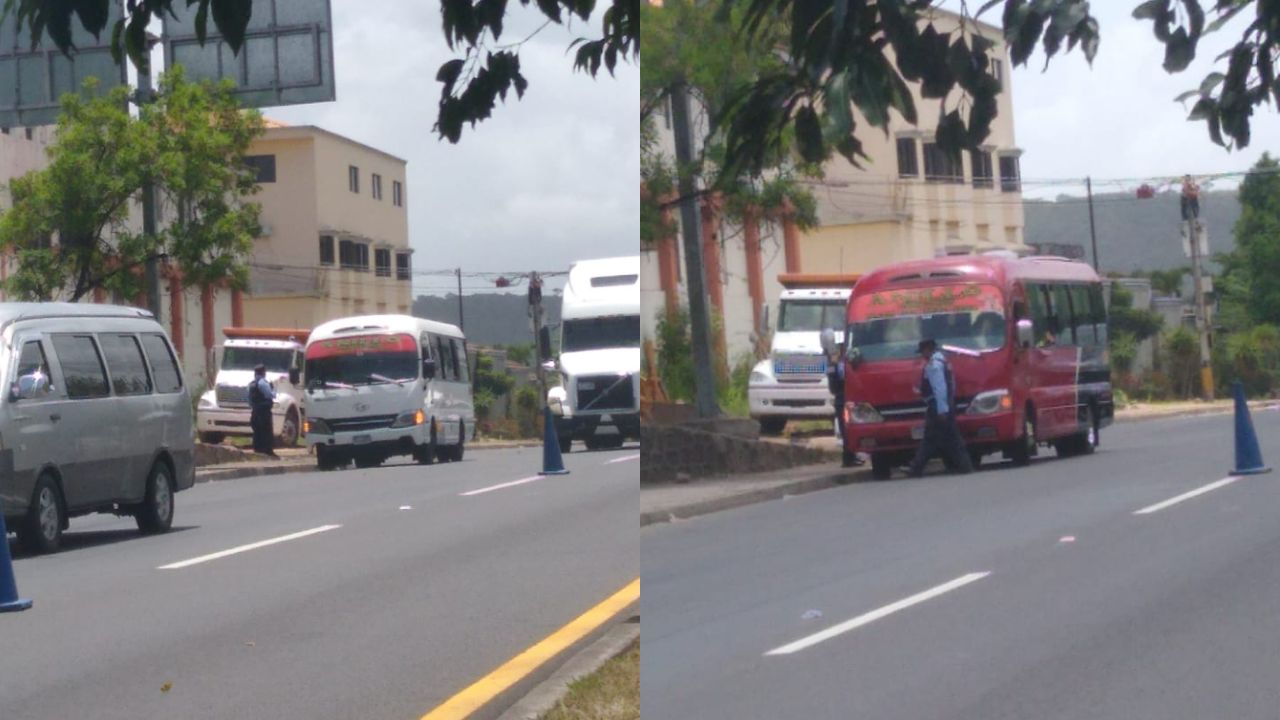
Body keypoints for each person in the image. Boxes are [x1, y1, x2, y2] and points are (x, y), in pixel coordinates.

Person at [907, 339, 973, 478]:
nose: (922, 355)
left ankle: (916, 468)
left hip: (937, 407)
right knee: (950, 438)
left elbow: (939, 388)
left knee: (932, 439)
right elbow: (951, 385)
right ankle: (965, 465)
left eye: (923, 352)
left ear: (928, 350)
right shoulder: (944, 362)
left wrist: (941, 409)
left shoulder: (934, 365)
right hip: (945, 405)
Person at [826, 348, 864, 467]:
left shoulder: (836, 365)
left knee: (847, 430)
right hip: (844, 400)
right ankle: (848, 458)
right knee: (846, 430)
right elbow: (834, 385)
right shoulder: (838, 366)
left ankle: (850, 456)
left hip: (843, 400)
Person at [248, 364, 277, 456]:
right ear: (264, 372)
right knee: (267, 431)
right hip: (264, 411)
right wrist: (273, 388)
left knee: (257, 432)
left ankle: (258, 450)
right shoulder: (263, 383)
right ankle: (268, 451)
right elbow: (270, 395)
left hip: (255, 411)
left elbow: (249, 400)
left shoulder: (251, 384)